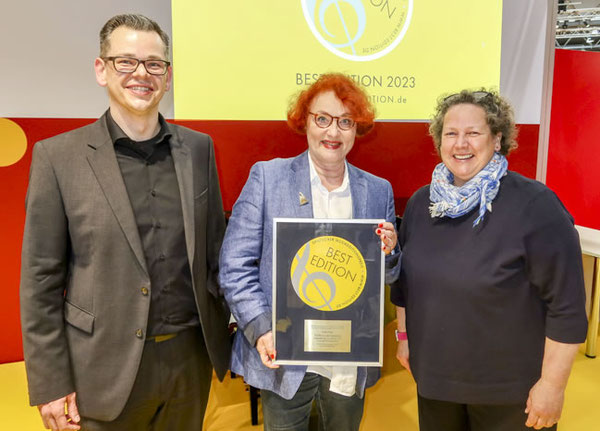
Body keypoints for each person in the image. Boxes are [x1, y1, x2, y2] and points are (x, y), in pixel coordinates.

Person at [20, 13, 231, 431]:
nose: (142, 74)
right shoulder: (57, 158)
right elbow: (40, 281)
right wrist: (49, 383)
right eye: (126, 62)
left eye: (154, 64)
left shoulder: (199, 149)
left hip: (189, 363)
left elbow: (214, 254)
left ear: (167, 77)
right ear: (101, 69)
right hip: (100, 370)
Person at [391, 90, 588, 431]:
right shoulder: (422, 204)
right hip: (437, 385)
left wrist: (553, 386)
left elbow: (566, 307)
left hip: (512, 395)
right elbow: (406, 284)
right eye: (451, 133)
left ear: (497, 139)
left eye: (473, 133)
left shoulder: (537, 206)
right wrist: (405, 339)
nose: (460, 143)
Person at [218, 73, 400, 430]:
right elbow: (234, 265)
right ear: (305, 121)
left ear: (356, 129)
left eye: (345, 122)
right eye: (323, 119)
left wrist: (390, 253)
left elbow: (391, 274)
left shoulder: (378, 191)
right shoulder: (268, 178)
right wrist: (262, 329)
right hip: (285, 356)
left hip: (349, 359)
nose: (333, 132)